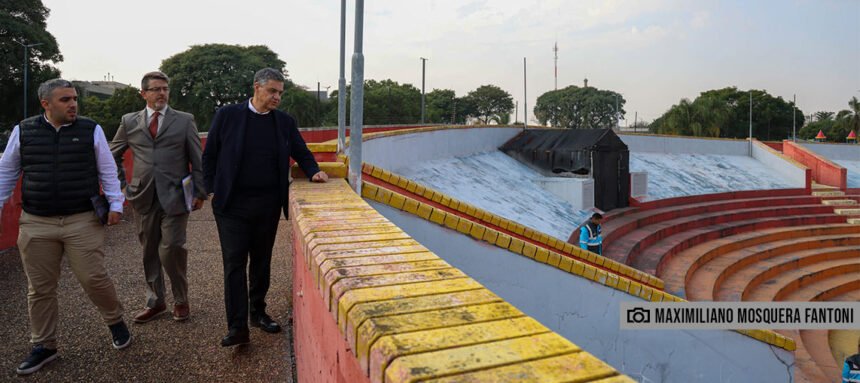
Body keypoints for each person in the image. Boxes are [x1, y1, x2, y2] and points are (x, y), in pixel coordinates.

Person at [0, 79, 131, 375]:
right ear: (45, 104)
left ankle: (115, 320)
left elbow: (107, 169)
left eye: (74, 98)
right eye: (65, 100)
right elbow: (7, 171)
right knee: (40, 289)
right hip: (36, 222)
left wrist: (116, 204)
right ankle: (44, 345)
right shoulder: (24, 131)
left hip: (81, 219)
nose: (73, 104)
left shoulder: (90, 129)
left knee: (93, 278)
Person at [203, 68, 328, 347]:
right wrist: (210, 188)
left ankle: (257, 312)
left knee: (261, 261)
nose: (277, 97)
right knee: (234, 263)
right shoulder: (228, 115)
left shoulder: (283, 122)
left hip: (268, 204)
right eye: (273, 91)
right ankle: (237, 327)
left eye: (280, 93)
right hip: (232, 206)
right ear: (256, 88)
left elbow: (301, 151)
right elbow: (209, 154)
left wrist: (314, 171)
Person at [110, 71, 206, 324]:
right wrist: (122, 186)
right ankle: (156, 301)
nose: (162, 93)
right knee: (149, 251)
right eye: (156, 89)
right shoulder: (130, 121)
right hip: (142, 195)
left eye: (165, 88)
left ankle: (181, 299)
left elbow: (197, 159)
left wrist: (200, 191)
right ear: (143, 94)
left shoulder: (184, 120)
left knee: (172, 247)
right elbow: (112, 154)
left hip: (176, 194)